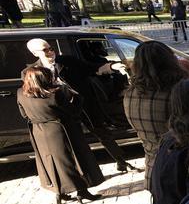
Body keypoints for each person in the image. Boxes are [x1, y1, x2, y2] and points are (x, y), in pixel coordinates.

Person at [25, 38, 138, 173]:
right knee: (71, 141)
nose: (50, 52)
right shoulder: (31, 72)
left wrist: (112, 66)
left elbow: (91, 68)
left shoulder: (68, 61)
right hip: (62, 111)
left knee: (102, 132)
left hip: (84, 104)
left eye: (51, 48)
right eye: (45, 50)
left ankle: (121, 161)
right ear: (35, 53)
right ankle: (79, 174)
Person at [17, 67, 104, 204]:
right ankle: (82, 191)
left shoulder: (21, 93)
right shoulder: (54, 95)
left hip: (38, 132)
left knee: (50, 162)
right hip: (60, 130)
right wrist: (76, 97)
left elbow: (24, 114)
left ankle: (59, 192)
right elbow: (73, 111)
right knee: (73, 160)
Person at [124, 40, 189, 188]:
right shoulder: (177, 92)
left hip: (153, 171)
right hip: (182, 174)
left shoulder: (130, 94)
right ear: (170, 61)